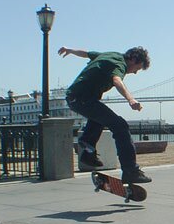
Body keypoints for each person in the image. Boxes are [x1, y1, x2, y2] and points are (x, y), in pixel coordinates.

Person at [59, 46, 152, 184]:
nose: (135, 73)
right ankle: (130, 171)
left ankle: (88, 150)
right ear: (133, 59)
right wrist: (130, 99)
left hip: (77, 98)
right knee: (120, 126)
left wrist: (70, 50)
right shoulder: (119, 64)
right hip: (83, 99)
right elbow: (117, 80)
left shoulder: (111, 54)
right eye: (137, 68)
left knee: (100, 118)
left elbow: (86, 53)